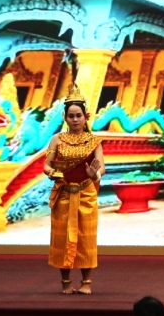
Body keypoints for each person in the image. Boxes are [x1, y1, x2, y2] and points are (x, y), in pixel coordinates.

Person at [43, 83, 105, 294]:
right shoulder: (57, 140)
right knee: (63, 238)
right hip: (63, 194)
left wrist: (94, 175)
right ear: (65, 117)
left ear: (86, 117)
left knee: (86, 238)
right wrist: (52, 172)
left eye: (79, 115)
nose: (75, 120)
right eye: (71, 116)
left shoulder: (94, 141)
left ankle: (86, 282)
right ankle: (66, 282)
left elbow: (102, 167)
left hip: (86, 193)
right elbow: (46, 165)